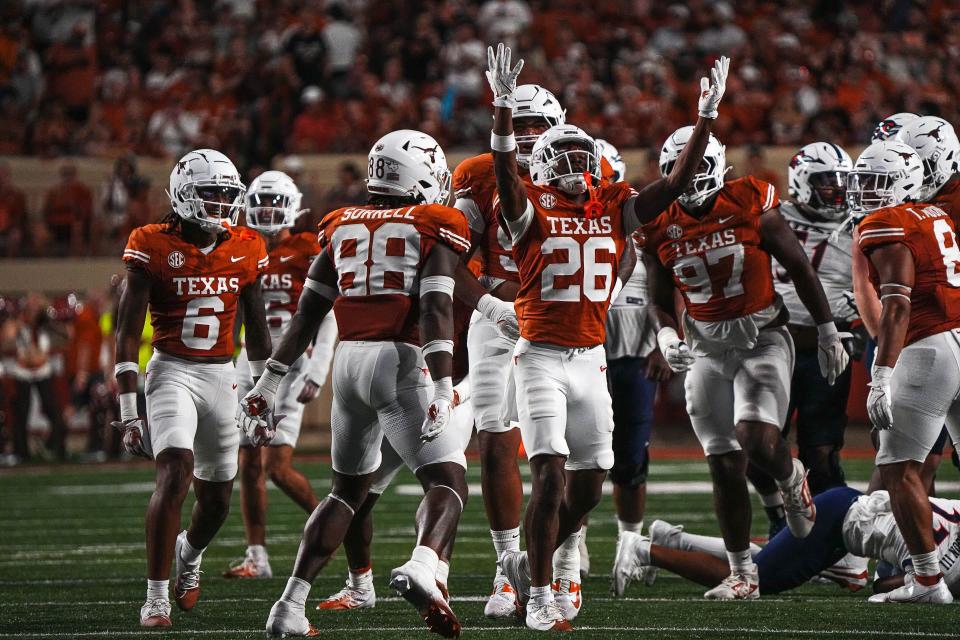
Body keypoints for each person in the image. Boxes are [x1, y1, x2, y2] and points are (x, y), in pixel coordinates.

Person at [487, 44, 729, 630]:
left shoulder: (616, 206)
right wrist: (500, 110)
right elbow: (504, 171)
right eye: (562, 154)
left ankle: (528, 561)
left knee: (590, 485)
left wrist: (705, 119)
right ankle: (541, 593)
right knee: (548, 476)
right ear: (540, 167)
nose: (574, 163)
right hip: (540, 357)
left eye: (581, 153)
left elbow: (673, 185)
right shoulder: (529, 206)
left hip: (591, 359)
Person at [240, 130, 474, 638]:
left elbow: (305, 317)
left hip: (348, 364)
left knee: (345, 493)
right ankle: (423, 563)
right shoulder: (436, 223)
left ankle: (289, 605)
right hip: (400, 359)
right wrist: (441, 384)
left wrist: (266, 384)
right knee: (448, 483)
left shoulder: (340, 224)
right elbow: (435, 308)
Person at [641, 125, 851, 600]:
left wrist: (825, 330)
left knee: (756, 437)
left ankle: (791, 476)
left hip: (762, 337)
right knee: (722, 464)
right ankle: (741, 574)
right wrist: (667, 331)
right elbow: (657, 296)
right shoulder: (656, 223)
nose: (692, 179)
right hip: (705, 347)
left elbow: (799, 266)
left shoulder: (749, 199)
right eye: (682, 171)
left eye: (698, 168)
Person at [113, 149, 272, 627]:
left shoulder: (247, 245)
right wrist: (127, 408)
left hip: (222, 375)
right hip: (171, 372)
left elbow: (259, 330)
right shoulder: (151, 243)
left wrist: (265, 394)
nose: (222, 204)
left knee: (218, 499)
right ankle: (156, 596)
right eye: (211, 194)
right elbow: (126, 332)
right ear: (183, 194)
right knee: (175, 471)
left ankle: (190, 552)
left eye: (228, 195)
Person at [451, 82, 565, 619]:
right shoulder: (476, 174)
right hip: (498, 314)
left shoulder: (581, 168)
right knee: (495, 442)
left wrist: (603, 294)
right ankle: (507, 569)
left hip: (562, 321)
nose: (527, 136)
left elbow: (620, 243)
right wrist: (491, 304)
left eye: (536, 125)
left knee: (571, 452)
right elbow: (449, 259)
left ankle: (563, 564)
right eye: (517, 125)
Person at [854, 139, 959, 603]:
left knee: (899, 470)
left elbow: (897, 304)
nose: (869, 194)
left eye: (879, 183)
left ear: (905, 182)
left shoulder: (885, 222)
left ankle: (929, 581)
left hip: (930, 347)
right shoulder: (935, 215)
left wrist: (880, 374)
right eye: (864, 183)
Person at [223, 170, 337, 579]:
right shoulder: (240, 246)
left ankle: (335, 525)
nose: (268, 210)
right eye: (262, 202)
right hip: (248, 360)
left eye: (275, 202)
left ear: (292, 206)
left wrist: (318, 369)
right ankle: (258, 556)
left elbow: (327, 314)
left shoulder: (307, 248)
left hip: (291, 364)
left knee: (277, 466)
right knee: (248, 463)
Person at [611, 488, 960, 598]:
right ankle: (643, 550)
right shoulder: (952, 572)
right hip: (838, 526)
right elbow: (882, 586)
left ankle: (671, 539)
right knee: (753, 581)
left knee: (764, 565)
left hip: (850, 508)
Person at [594, 139, 673, 580]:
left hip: (635, 355)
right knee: (578, 454)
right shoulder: (570, 220)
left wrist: (663, 342)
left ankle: (629, 540)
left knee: (630, 459)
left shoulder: (644, 222)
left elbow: (668, 285)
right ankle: (575, 542)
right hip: (587, 354)